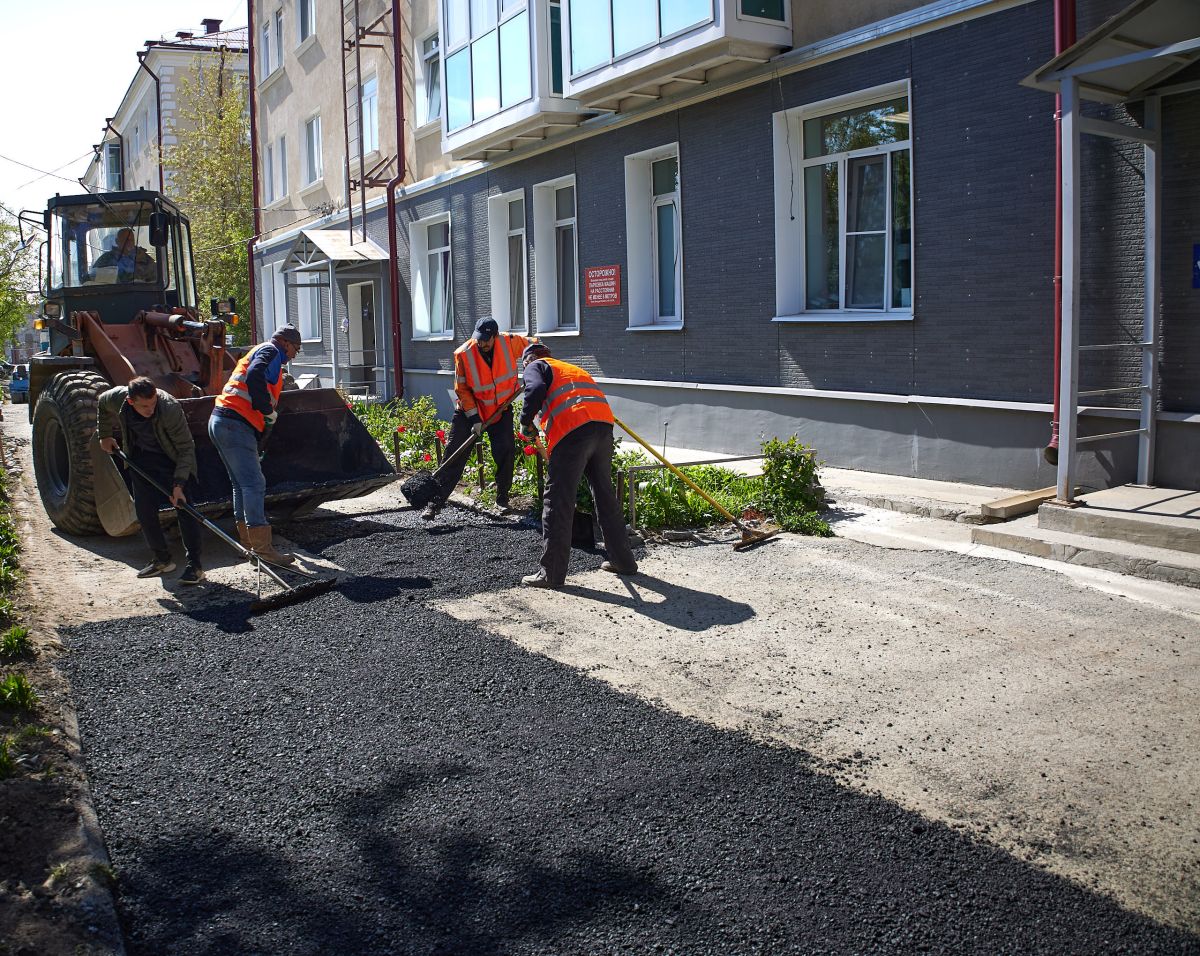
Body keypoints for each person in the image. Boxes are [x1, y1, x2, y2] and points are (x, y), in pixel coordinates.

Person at [517, 342, 637, 588]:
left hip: (572, 432)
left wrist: (524, 422)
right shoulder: (571, 369)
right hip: (602, 427)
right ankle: (624, 562)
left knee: (558, 500)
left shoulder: (536, 366)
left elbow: (535, 389)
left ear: (528, 360)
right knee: (604, 495)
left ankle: (551, 573)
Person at [421, 317, 535, 521]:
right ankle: (434, 503)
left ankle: (502, 498)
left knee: (505, 452)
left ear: (495, 336)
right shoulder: (464, 354)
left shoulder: (509, 342)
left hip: (500, 410)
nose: (481, 343)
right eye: (478, 339)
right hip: (469, 412)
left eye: (486, 340)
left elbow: (536, 346)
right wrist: (474, 418)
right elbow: (462, 389)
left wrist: (532, 364)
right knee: (454, 453)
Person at [208, 325, 301, 565]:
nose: (294, 355)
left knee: (240, 484)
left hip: (221, 421)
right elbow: (255, 376)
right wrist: (266, 410)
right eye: (296, 349)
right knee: (254, 483)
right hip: (233, 422)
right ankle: (263, 550)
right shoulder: (270, 351)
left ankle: (248, 545)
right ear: (285, 343)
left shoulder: (261, 353)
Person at [97, 376, 204, 584]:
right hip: (140, 459)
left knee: (184, 508)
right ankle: (162, 560)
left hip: (171, 459)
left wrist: (179, 484)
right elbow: (101, 401)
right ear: (130, 401)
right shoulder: (118, 398)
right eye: (145, 406)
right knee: (145, 512)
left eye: (153, 403)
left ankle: (195, 566)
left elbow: (185, 448)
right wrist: (105, 435)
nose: (150, 409)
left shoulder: (169, 408)